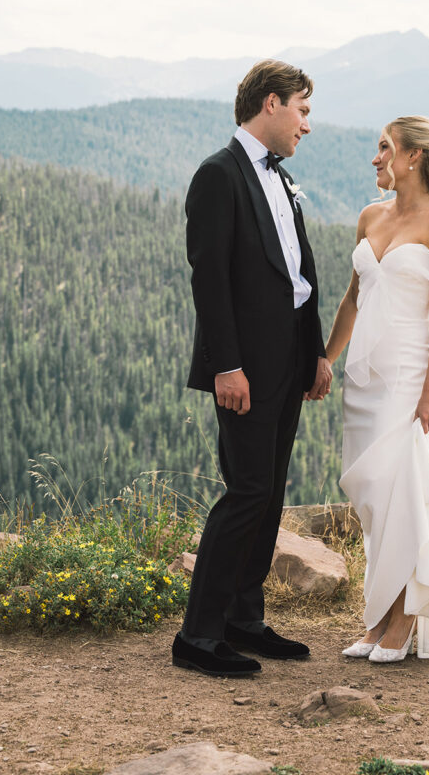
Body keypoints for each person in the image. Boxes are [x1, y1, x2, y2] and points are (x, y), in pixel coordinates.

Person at [173, 59, 333, 678]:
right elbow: (209, 280)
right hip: (245, 366)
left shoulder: (281, 178)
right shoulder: (218, 175)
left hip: (289, 355)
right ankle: (198, 633)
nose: (307, 124)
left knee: (270, 492)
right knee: (246, 491)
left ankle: (244, 616)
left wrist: (315, 352)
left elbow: (300, 276)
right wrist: (227, 366)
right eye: (303, 109)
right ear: (271, 104)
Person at [325, 115, 429, 663]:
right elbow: (352, 299)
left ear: (414, 158)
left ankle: (405, 619)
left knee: (401, 488)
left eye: (384, 148)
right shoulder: (370, 217)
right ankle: (380, 611)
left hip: (409, 377)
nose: (375, 158)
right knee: (372, 499)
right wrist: (325, 360)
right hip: (363, 378)